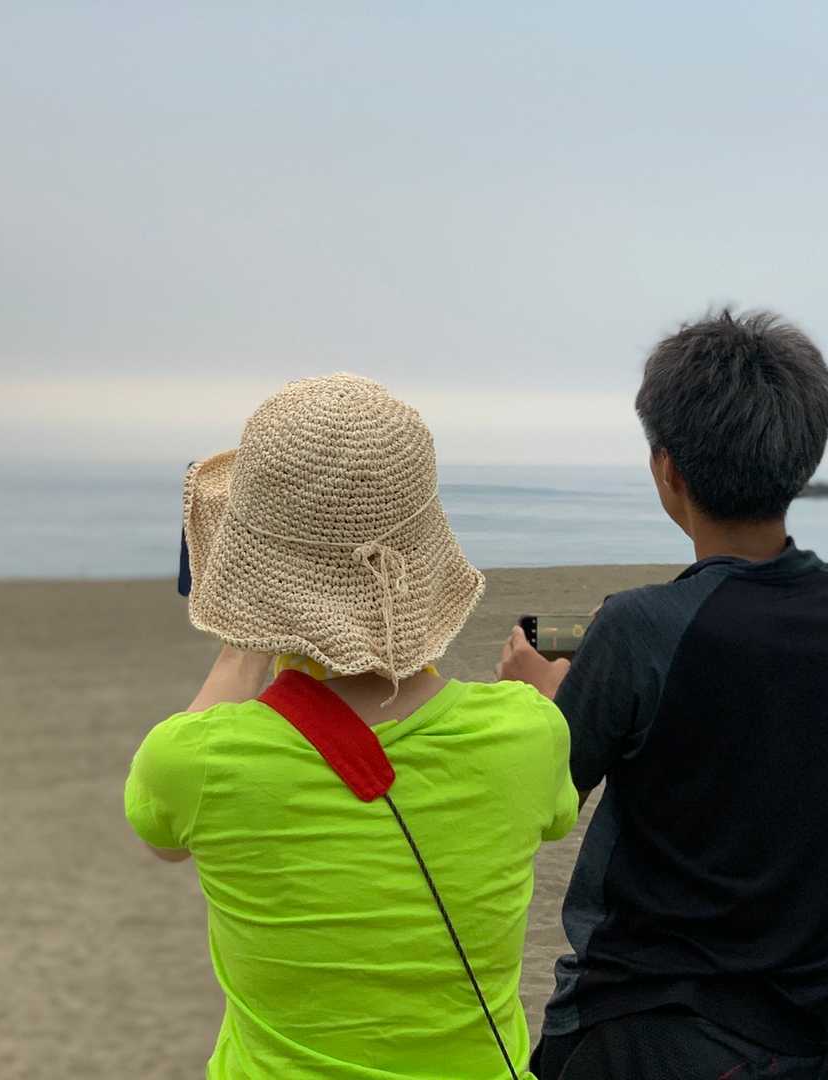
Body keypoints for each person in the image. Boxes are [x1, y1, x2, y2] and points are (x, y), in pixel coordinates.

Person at [498, 311, 828, 1080]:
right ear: (804, 456)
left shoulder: (639, 627)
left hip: (637, 1028)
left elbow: (535, 801)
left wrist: (535, 699)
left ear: (667, 470)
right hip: (798, 1036)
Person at [126, 373, 579, 1079]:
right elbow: (549, 817)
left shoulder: (194, 760)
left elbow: (162, 841)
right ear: (426, 550)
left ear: (249, 576)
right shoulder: (530, 732)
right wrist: (537, 699)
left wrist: (246, 634)